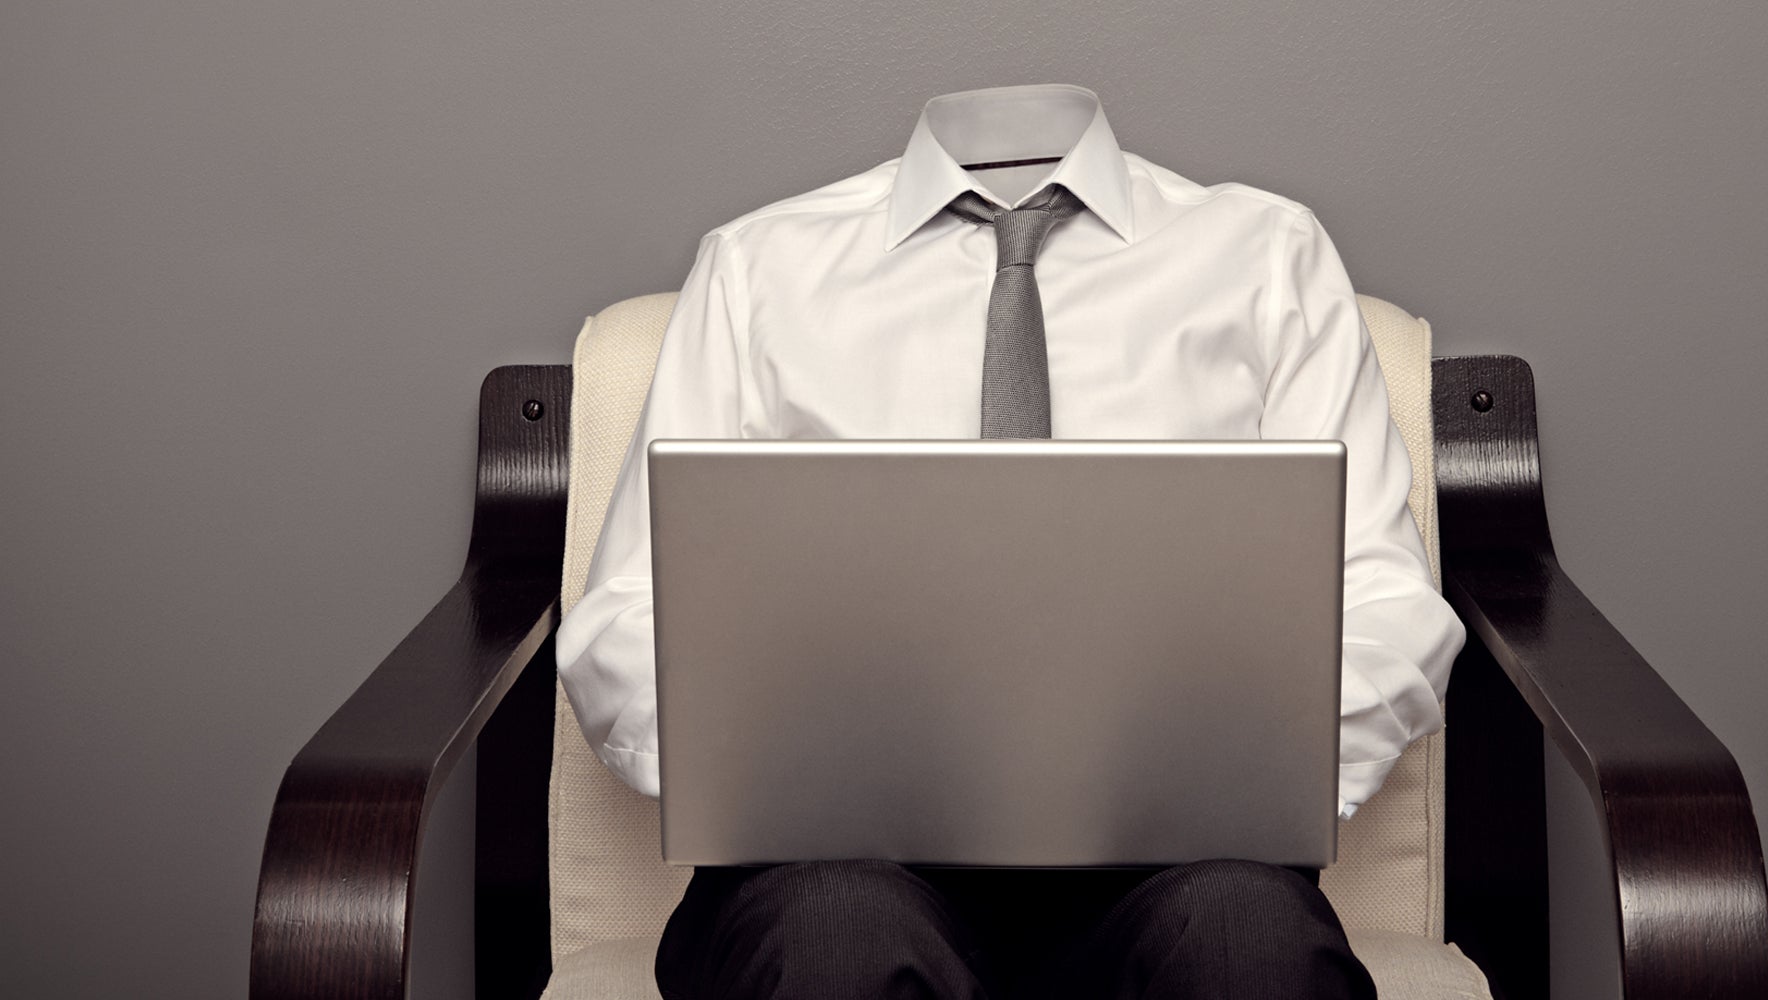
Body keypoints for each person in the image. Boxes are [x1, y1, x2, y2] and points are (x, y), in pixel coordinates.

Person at [556, 83, 1465, 1000]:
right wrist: (768, 768)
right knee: (834, 939)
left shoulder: (1269, 256)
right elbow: (626, 622)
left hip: (1183, 872)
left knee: (1249, 942)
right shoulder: (756, 269)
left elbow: (1384, 604)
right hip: (835, 869)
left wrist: (1247, 767)